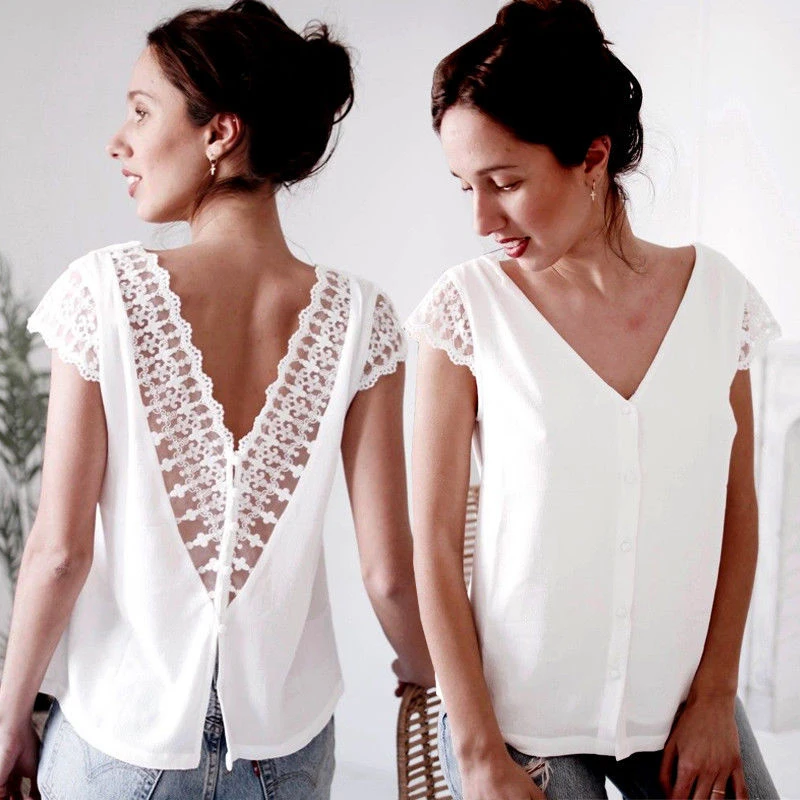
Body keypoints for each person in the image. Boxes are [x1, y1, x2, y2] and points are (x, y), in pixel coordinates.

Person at [0, 2, 433, 798]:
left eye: (141, 111)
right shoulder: (361, 318)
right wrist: (423, 669)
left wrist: (8, 715)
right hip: (285, 751)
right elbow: (389, 575)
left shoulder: (105, 291)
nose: (118, 141)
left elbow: (58, 552)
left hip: (123, 741)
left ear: (220, 134)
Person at [406, 1, 781, 799]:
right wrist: (480, 755)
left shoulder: (719, 301)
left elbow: (738, 510)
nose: (481, 218)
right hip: (518, 724)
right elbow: (432, 547)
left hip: (684, 705)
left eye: (505, 183)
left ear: (592, 157)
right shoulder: (465, 311)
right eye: (465, 187)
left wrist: (716, 696)